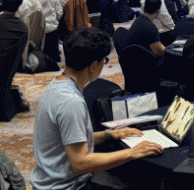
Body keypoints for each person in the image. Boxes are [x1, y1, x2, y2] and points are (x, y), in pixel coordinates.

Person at [30, 28, 163, 190]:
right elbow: (80, 163)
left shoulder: (58, 85)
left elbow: (71, 138)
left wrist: (109, 134)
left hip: (53, 180)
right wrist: (132, 152)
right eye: (104, 61)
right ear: (93, 65)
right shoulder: (70, 102)